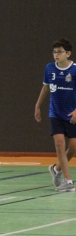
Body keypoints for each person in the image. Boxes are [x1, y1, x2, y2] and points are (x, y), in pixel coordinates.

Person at [35, 38, 76, 192]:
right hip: (55, 113)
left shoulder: (74, 70)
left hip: (71, 114)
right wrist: (38, 105)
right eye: (54, 52)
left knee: (73, 147)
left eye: (59, 52)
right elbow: (46, 87)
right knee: (59, 143)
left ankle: (55, 169)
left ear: (68, 53)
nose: (56, 55)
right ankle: (68, 181)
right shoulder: (50, 68)